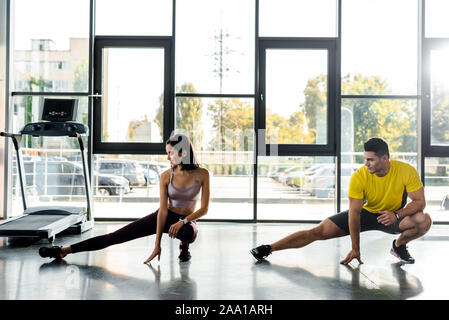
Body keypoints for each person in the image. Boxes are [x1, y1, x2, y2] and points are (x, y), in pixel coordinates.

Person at [251, 137, 432, 265]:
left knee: (424, 220)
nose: (366, 163)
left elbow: (419, 202)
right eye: (364, 159)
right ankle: (269, 248)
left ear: (385, 158)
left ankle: (399, 247)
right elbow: (354, 213)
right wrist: (355, 248)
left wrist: (396, 215)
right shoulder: (359, 176)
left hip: (393, 217)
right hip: (367, 213)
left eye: (371, 159)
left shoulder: (406, 171)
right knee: (318, 231)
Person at [39, 133, 210, 263]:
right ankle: (63, 250)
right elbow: (163, 210)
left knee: (189, 232)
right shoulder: (166, 176)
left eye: (171, 153)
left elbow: (204, 209)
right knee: (114, 237)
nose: (167, 157)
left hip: (186, 221)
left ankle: (184, 246)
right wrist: (157, 243)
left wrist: (183, 221)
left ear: (183, 152)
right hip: (166, 216)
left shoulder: (202, 174)